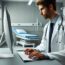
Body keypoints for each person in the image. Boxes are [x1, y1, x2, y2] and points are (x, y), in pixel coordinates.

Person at [25, 0, 65, 64]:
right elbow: (43, 44)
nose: (40, 13)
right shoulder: (46, 26)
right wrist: (35, 49)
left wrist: (45, 55)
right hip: (49, 62)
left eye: (42, 9)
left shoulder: (63, 23)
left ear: (50, 7)